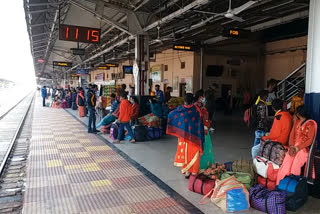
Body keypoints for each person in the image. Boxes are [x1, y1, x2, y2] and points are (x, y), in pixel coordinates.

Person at [276, 105, 317, 185]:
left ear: (299, 113)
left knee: (296, 163)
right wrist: (291, 147)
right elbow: (292, 135)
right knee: (286, 162)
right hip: (293, 148)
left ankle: (293, 185)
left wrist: (298, 148)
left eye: (296, 113)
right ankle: (280, 184)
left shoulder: (310, 124)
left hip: (303, 150)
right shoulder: (297, 122)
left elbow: (310, 140)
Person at [167, 93, 204, 177]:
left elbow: (171, 115)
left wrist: (178, 128)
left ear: (184, 100)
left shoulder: (180, 109)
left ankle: (187, 172)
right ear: (193, 100)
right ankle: (194, 172)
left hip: (183, 136)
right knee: (195, 153)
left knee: (184, 152)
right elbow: (201, 121)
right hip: (195, 136)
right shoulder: (197, 109)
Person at [194, 90, 215, 170]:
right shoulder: (196, 106)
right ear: (200, 97)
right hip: (199, 130)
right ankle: (200, 166)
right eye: (203, 96)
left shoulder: (201, 105)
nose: (204, 98)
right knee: (201, 147)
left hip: (205, 129)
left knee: (206, 147)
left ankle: (207, 165)